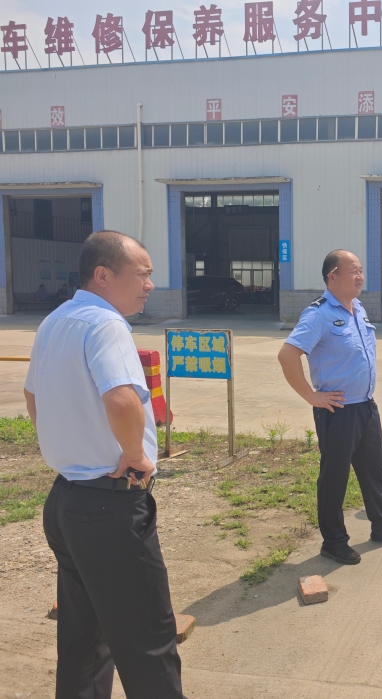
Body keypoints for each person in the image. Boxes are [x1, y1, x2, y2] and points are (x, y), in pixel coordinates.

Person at [24, 230, 185, 699]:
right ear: (103, 275)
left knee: (84, 640)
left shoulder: (56, 320)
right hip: (110, 508)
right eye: (142, 274)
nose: (150, 284)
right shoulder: (105, 324)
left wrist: (67, 438)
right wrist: (136, 456)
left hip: (66, 503)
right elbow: (121, 398)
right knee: (148, 641)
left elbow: (32, 395)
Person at [278, 250, 382, 565]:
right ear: (333, 276)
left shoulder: (358, 309)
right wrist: (311, 396)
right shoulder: (319, 314)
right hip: (337, 411)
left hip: (365, 406)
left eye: (361, 270)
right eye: (353, 270)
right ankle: (334, 542)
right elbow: (287, 355)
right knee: (335, 477)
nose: (360, 276)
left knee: (373, 470)